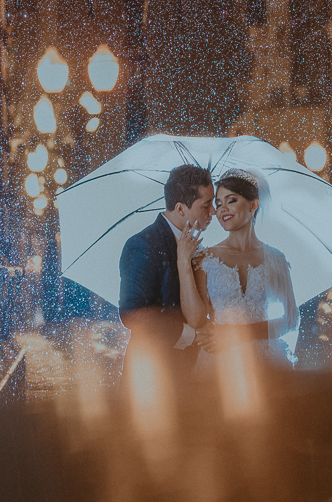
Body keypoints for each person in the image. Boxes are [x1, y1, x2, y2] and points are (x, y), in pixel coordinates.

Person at [175, 168, 299, 371]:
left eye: (231, 200)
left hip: (268, 363)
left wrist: (236, 334)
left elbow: (292, 320)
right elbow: (196, 319)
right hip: (219, 364)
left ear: (253, 205)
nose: (222, 209)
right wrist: (183, 263)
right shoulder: (206, 258)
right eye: (218, 204)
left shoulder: (276, 258)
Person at [117, 164, 215, 386]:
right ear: (181, 209)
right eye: (206, 205)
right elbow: (132, 313)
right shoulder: (142, 245)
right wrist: (190, 335)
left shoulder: (197, 246)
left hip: (192, 373)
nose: (214, 212)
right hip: (151, 376)